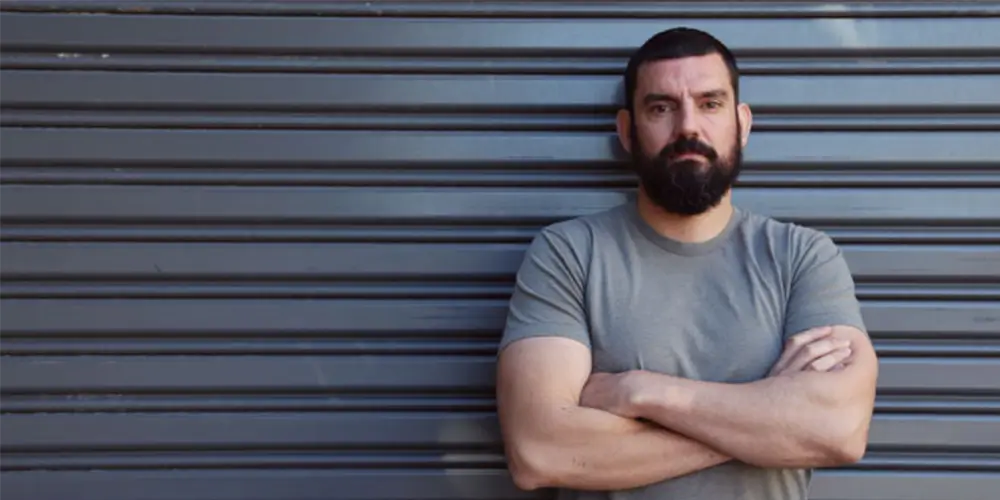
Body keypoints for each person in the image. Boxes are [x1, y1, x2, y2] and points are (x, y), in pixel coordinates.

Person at [494, 27, 878, 499]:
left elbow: (838, 430)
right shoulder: (569, 255)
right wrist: (771, 422)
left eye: (710, 103)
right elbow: (540, 452)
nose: (688, 127)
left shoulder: (802, 257)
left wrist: (640, 392)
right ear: (626, 131)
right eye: (661, 108)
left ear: (743, 122)